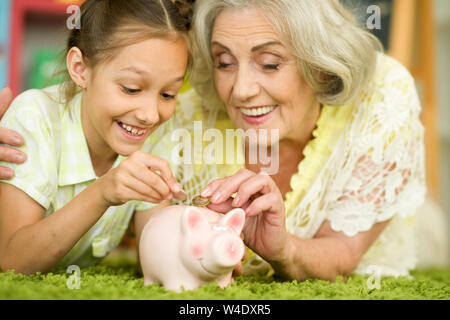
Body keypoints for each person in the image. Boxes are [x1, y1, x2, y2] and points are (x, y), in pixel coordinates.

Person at [1, 0, 433, 281]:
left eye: (268, 63)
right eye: (224, 62)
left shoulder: (380, 99)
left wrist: (271, 249)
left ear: (320, 65)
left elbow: (342, 253)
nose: (241, 90)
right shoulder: (178, 121)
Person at [0, 0, 191, 275]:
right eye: (131, 88)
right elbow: (13, 261)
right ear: (80, 68)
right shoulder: (35, 117)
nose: (150, 115)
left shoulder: (159, 133)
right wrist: (102, 193)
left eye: (168, 94)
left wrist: (207, 250)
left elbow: (155, 260)